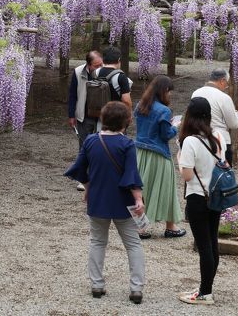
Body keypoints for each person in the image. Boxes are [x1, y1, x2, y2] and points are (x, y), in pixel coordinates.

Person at [64, 101, 145, 304]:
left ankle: (97, 285)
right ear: (126, 122)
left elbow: (80, 168)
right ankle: (136, 289)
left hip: (98, 200)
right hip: (123, 201)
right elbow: (131, 175)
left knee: (97, 242)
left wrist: (89, 188)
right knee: (133, 244)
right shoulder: (127, 144)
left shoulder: (91, 141)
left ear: (103, 119)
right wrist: (138, 199)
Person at [177, 97, 226, 306]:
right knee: (212, 243)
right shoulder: (218, 135)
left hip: (198, 197)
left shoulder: (190, 141)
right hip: (215, 195)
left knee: (204, 246)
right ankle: (207, 287)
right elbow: (225, 163)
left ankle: (205, 293)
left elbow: (187, 176)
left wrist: (179, 159)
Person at [134, 75, 185, 239]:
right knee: (166, 189)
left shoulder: (140, 105)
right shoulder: (164, 110)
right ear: (164, 91)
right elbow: (165, 135)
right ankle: (171, 227)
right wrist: (175, 126)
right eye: (169, 91)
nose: (170, 95)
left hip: (141, 153)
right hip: (158, 154)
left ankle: (142, 228)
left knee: (142, 190)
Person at [191, 68, 238, 166]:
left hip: (199, 139)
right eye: (227, 83)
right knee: (222, 177)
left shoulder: (195, 93)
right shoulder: (224, 97)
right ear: (222, 81)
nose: (226, 86)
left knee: (201, 175)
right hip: (220, 142)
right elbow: (233, 124)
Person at [68, 50, 104, 190]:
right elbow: (72, 95)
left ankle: (99, 176)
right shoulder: (78, 72)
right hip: (84, 115)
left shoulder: (105, 71)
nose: (99, 68)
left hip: (102, 115)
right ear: (88, 65)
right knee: (84, 147)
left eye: (101, 64)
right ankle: (83, 178)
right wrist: (71, 115)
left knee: (101, 146)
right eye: (96, 65)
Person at [97, 46, 132, 110]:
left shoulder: (96, 72)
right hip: (115, 114)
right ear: (119, 60)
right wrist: (129, 115)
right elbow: (126, 101)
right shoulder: (120, 76)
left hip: (98, 113)